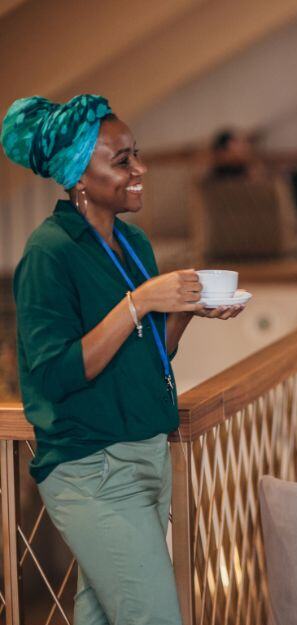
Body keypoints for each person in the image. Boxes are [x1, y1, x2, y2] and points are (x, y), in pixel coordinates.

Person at [1, 95, 244, 625]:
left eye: (137, 154)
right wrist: (140, 302)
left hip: (147, 455)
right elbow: (54, 374)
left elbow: (150, 351)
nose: (141, 169)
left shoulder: (132, 242)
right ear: (79, 176)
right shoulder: (49, 253)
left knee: (103, 614)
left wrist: (187, 312)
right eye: (123, 160)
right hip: (93, 467)